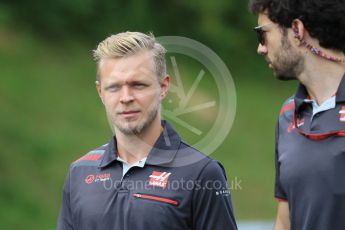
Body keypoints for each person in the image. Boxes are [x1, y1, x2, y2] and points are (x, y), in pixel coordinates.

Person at [57, 31, 237, 230]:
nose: (126, 97)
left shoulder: (201, 174)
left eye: (138, 85)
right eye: (114, 87)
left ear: (163, 86)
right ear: (101, 92)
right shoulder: (79, 173)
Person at [249, 0, 345, 229]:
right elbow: (285, 220)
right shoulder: (288, 114)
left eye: (263, 34)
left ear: (297, 30)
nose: (260, 48)